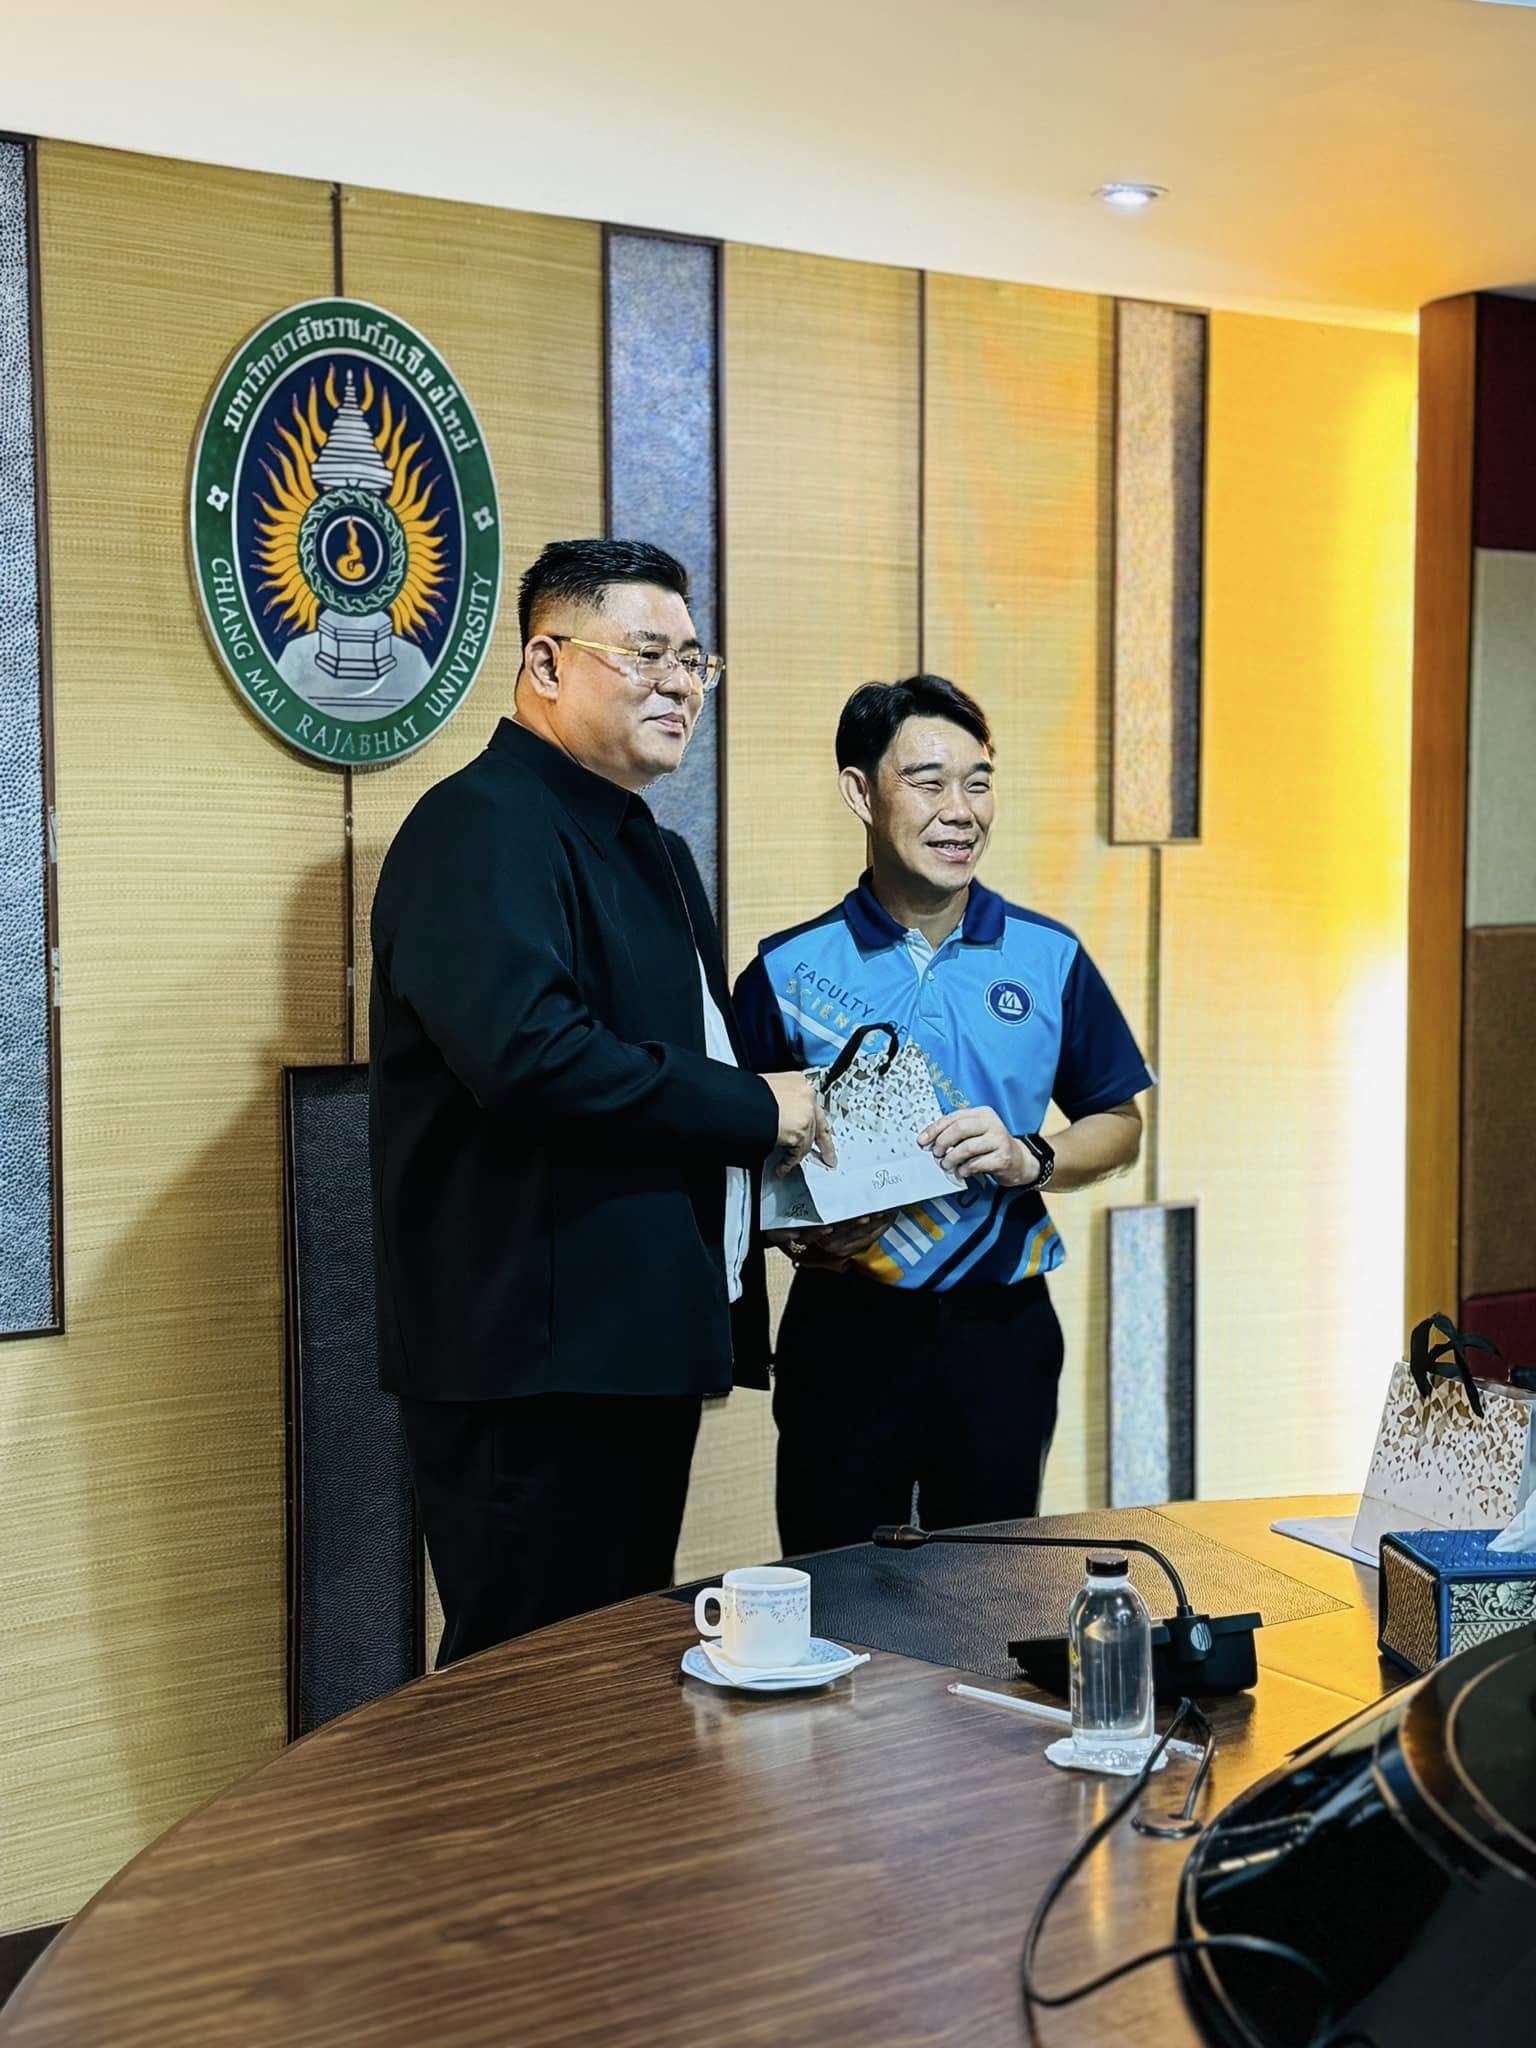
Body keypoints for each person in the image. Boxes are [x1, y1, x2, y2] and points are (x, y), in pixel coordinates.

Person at [369, 538, 831, 1663]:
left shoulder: (655, 849)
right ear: (545, 662)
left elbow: (676, 1072)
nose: (680, 685)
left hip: (637, 1343)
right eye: (646, 654)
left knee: (608, 1681)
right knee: (527, 1682)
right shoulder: (478, 822)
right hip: (531, 1357)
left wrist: (782, 1186)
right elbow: (530, 1055)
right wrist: (752, 1109)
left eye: (694, 661)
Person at [733, 674, 1153, 1556]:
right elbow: (732, 1162)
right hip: (844, 1326)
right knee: (836, 1585)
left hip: (1002, 1330)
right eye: (929, 783)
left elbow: (1121, 1122)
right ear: (861, 793)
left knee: (989, 1589)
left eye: (979, 782)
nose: (960, 810)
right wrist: (797, 1235)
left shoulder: (1048, 956)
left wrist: (1033, 1156)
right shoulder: (784, 971)